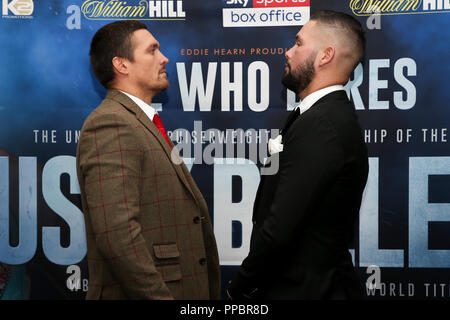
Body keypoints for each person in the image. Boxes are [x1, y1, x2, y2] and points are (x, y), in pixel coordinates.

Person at [227, 10, 369, 300]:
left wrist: (239, 287)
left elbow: (281, 227)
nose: (288, 51)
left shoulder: (322, 124)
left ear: (325, 55)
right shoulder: (319, 117)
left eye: (298, 43)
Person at [76, 21, 220, 300]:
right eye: (152, 50)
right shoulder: (111, 123)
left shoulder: (140, 122)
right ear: (122, 65)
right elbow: (118, 236)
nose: (164, 57)